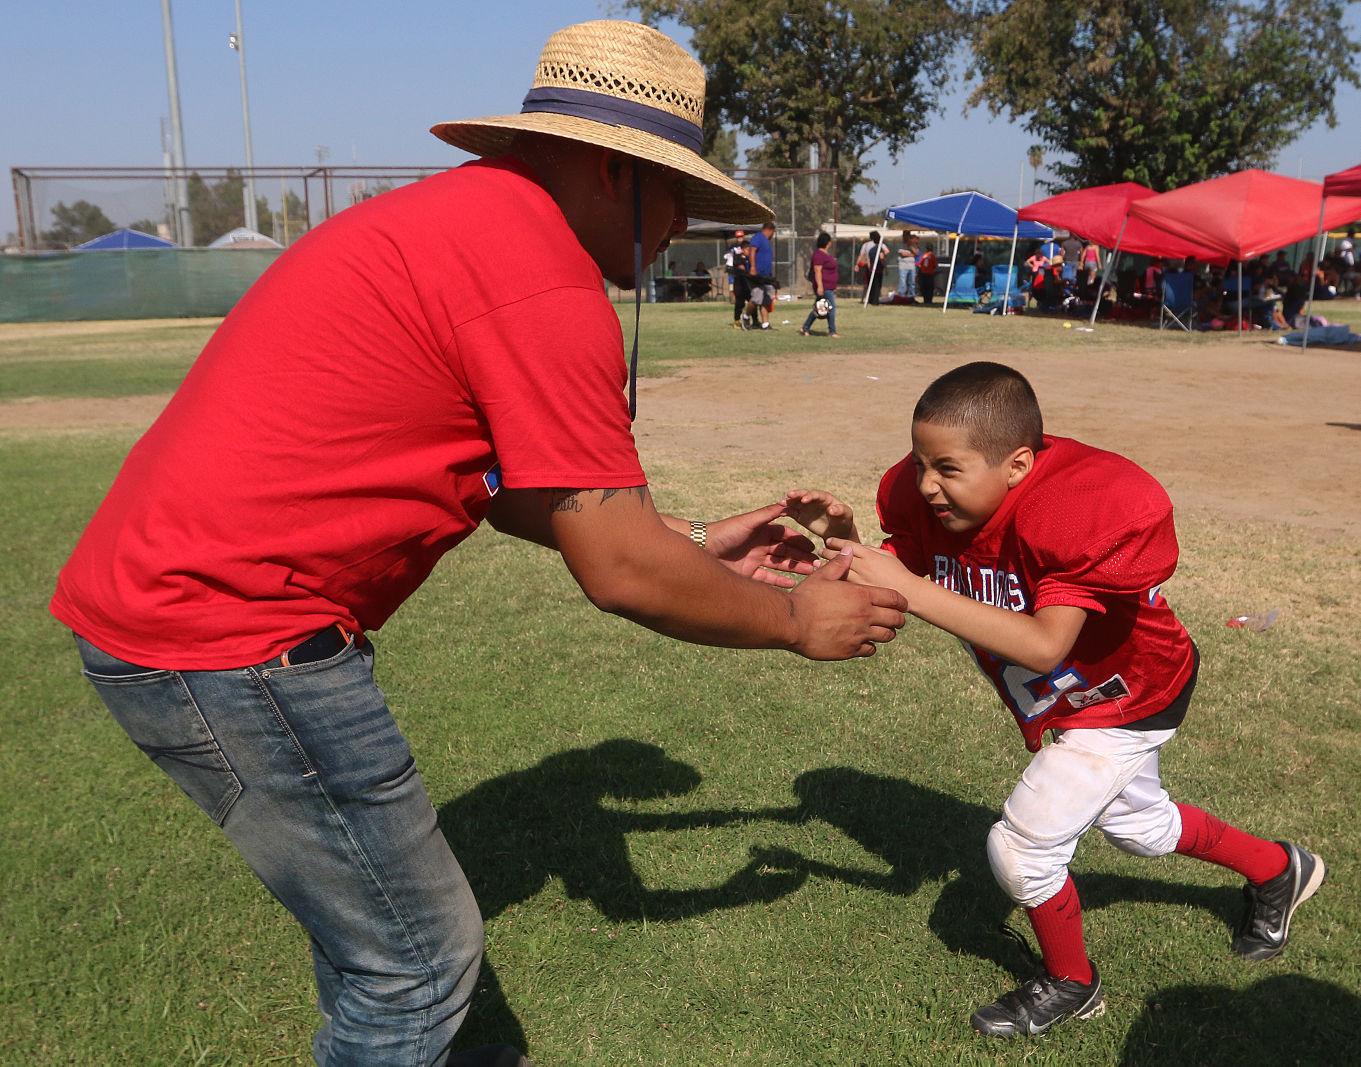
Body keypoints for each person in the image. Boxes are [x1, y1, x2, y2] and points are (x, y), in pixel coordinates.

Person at [49, 20, 910, 1064]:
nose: (684, 223)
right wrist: (793, 618)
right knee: (413, 968)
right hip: (230, 635)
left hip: (179, 616)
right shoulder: (540, 276)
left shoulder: (465, 220)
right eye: (679, 191)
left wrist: (692, 539)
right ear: (611, 169)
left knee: (387, 946)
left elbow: (512, 491)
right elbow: (620, 569)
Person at [782, 361, 1325, 1041]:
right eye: (919, 462)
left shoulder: (1070, 511)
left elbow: (1043, 645)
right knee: (1140, 827)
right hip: (1074, 698)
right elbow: (915, 567)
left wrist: (911, 588)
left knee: (1022, 849)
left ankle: (1072, 982)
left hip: (1128, 694)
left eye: (946, 467)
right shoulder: (940, 502)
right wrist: (850, 546)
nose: (925, 484)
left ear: (1016, 464)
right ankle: (1280, 868)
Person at [800, 230, 839, 337]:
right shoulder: (818, 255)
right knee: (830, 307)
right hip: (824, 286)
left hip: (829, 286)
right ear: (827, 242)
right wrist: (820, 286)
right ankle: (832, 331)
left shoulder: (826, 254)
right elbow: (817, 271)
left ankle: (805, 328)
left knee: (818, 308)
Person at [745, 219, 779, 329]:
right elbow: (752, 251)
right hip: (757, 275)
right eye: (773, 233)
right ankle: (745, 317)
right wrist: (753, 267)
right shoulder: (758, 237)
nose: (773, 235)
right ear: (770, 230)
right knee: (756, 298)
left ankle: (765, 324)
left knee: (766, 299)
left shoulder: (765, 241)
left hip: (766, 276)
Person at [724, 229, 752, 329]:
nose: (740, 238)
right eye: (738, 237)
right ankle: (736, 318)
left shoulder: (747, 246)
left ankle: (753, 320)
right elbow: (728, 258)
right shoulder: (733, 248)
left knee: (750, 298)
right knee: (735, 292)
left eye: (741, 236)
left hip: (746, 275)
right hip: (735, 273)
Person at [897, 236, 918, 302]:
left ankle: (911, 297)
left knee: (912, 282)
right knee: (902, 283)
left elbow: (916, 253)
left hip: (912, 266)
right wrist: (911, 254)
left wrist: (911, 247)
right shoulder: (901, 245)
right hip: (903, 267)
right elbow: (902, 254)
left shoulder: (913, 246)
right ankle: (901, 297)